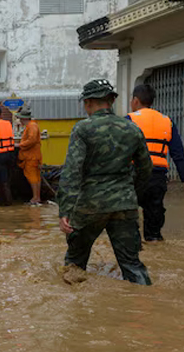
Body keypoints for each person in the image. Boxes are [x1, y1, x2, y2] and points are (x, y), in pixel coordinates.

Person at [57, 79, 153, 286]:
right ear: (111, 101)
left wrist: (65, 209)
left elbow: (72, 172)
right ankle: (146, 302)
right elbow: (146, 169)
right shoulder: (132, 129)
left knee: (74, 264)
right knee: (132, 265)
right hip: (124, 204)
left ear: (88, 102)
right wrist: (130, 194)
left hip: (90, 205)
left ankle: (74, 305)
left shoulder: (82, 129)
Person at [127, 84, 184, 242]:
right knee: (154, 226)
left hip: (134, 176)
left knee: (128, 222)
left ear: (135, 100)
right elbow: (178, 155)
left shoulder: (129, 120)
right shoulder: (167, 121)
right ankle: (154, 241)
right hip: (157, 178)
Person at [17, 104, 43, 205]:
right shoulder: (32, 126)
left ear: (23, 119)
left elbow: (32, 140)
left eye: (20, 119)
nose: (19, 121)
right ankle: (37, 197)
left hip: (31, 157)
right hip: (34, 156)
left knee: (32, 177)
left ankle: (35, 198)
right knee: (36, 177)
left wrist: (20, 145)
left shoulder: (31, 126)